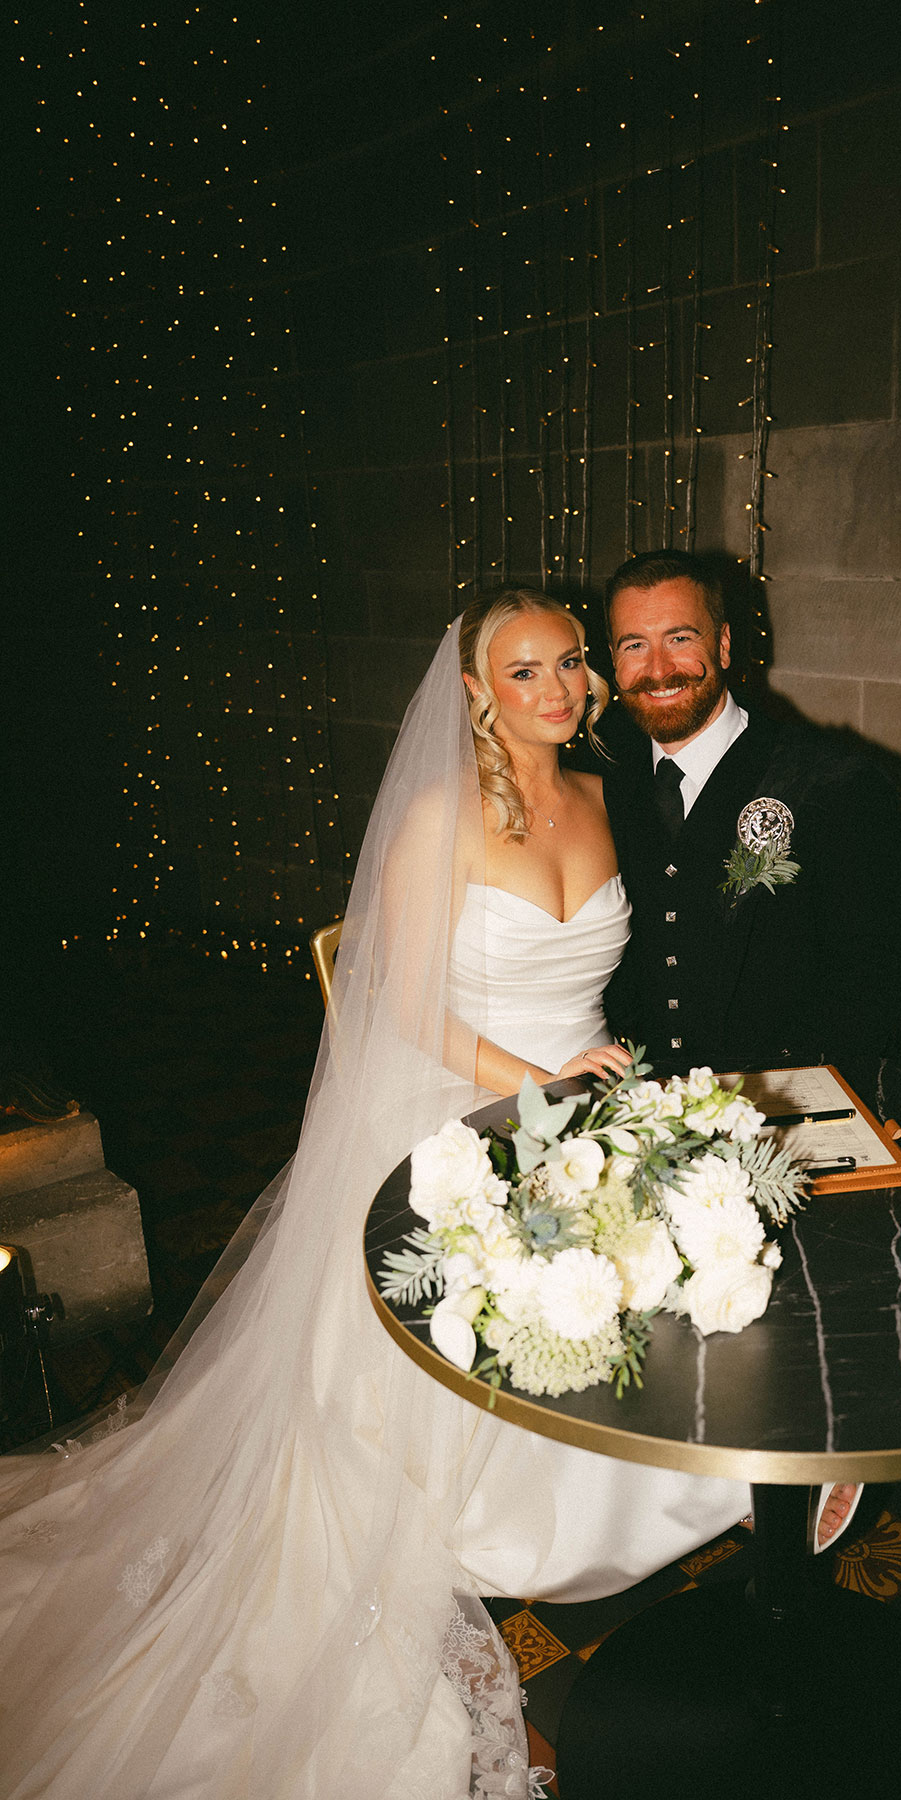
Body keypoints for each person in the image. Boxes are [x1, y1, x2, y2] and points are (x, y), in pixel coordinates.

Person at [0, 589, 748, 1800]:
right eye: (522, 673)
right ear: (473, 691)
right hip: (457, 1100)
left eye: (567, 663)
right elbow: (403, 1009)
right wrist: (538, 1089)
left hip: (582, 1103)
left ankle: (689, 1504)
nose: (555, 689)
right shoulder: (438, 822)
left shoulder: (615, 796)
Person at [600, 549, 901, 1551]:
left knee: (797, 1348)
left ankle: (814, 1470)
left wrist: (801, 1105)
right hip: (645, 1104)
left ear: (729, 644)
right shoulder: (599, 771)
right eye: (633, 644)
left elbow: (898, 964)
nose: (659, 667)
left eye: (682, 637)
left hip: (791, 1113)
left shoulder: (831, 781)